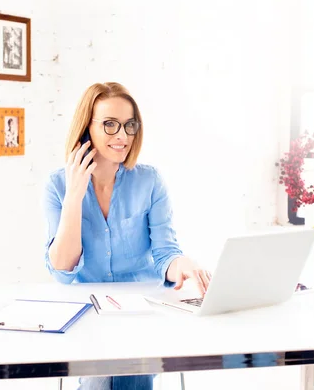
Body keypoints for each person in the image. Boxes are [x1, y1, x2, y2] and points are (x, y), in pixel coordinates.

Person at [43, 82, 212, 390]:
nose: (122, 136)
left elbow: (165, 254)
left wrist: (183, 264)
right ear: (86, 128)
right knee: (98, 380)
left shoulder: (149, 181)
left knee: (134, 373)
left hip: (141, 312)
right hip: (88, 313)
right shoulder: (57, 185)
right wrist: (75, 195)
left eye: (129, 125)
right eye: (109, 125)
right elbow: (63, 270)